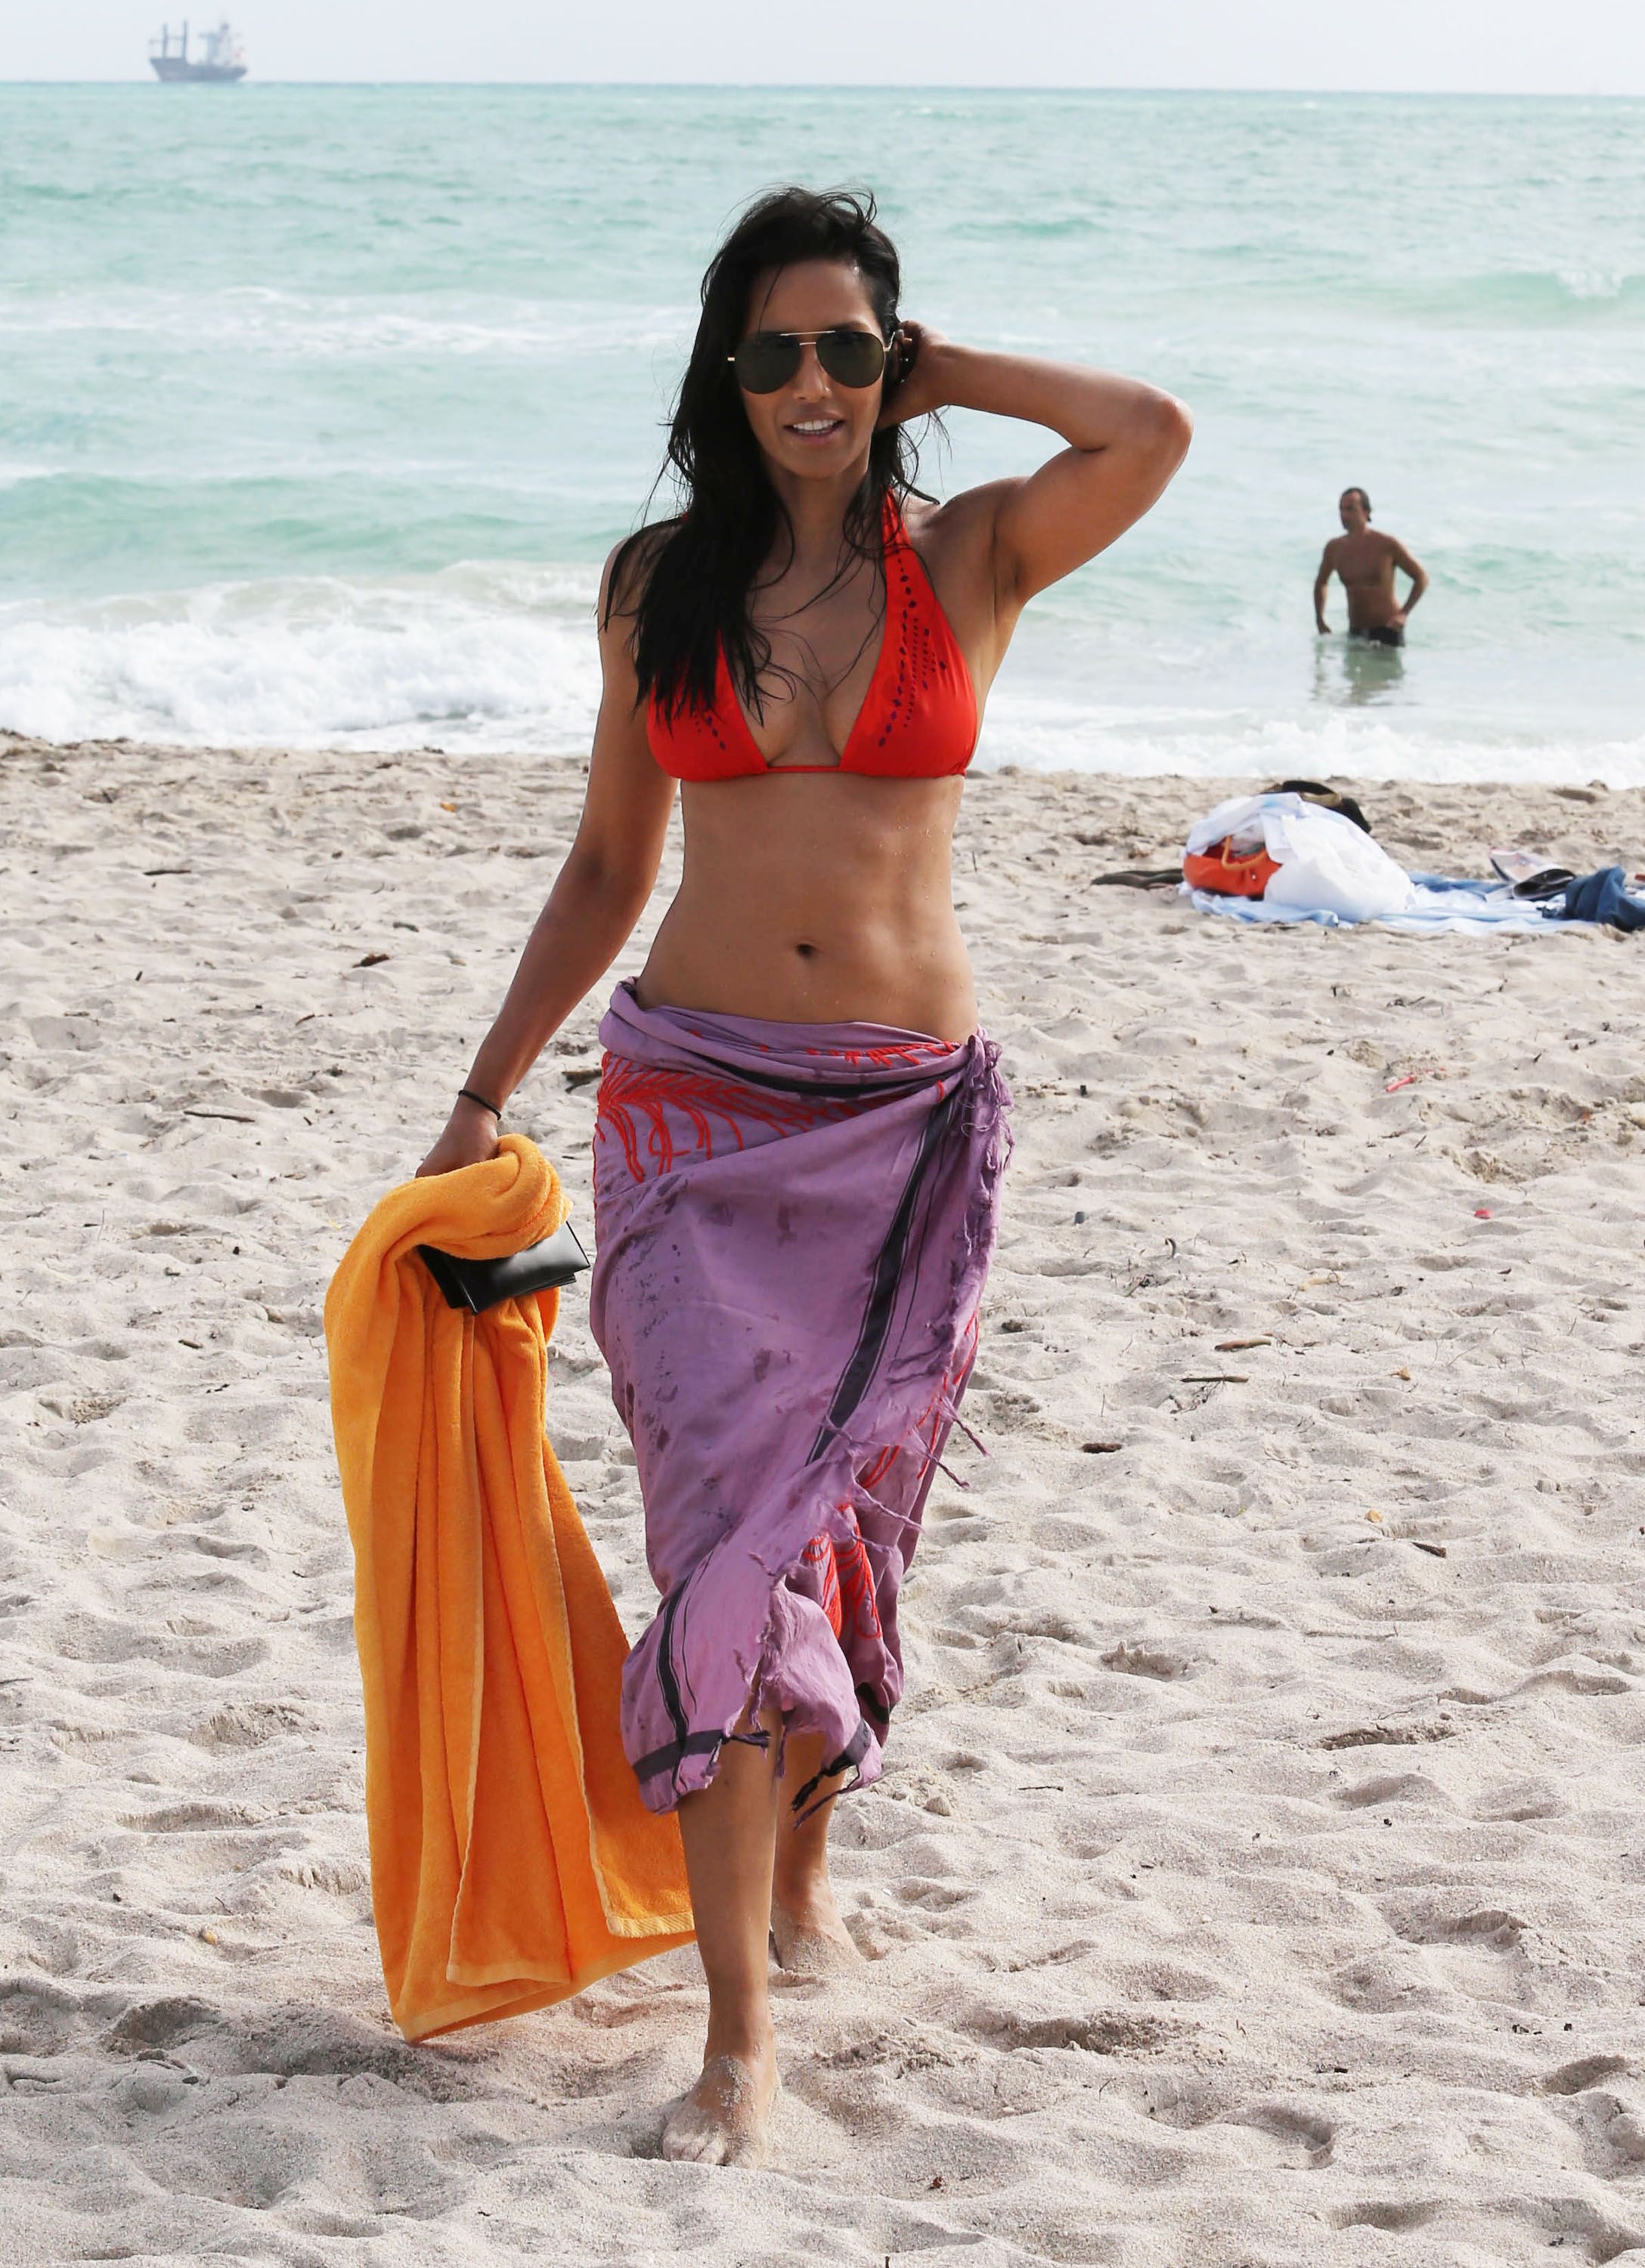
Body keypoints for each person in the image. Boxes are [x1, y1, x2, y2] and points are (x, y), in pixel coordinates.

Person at [416, 185, 1191, 2167]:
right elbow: (609, 866)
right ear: (726, 374)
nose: (813, 383)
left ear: (891, 361)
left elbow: (1149, 431)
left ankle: (800, 1876)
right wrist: (485, 1092)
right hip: (690, 1117)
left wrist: (947, 372)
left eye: (850, 348)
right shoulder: (657, 583)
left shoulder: (974, 556)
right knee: (727, 1543)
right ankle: (735, 2044)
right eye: (775, 352)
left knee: (840, 1536)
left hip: (899, 1127)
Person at [1313, 486, 1428, 645]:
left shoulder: (1386, 544)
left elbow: (1421, 578)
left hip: (1388, 630)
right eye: (1341, 509)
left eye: (1350, 509)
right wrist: (1320, 619)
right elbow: (1321, 582)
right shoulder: (1334, 548)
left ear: (1366, 512)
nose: (1344, 515)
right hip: (1356, 634)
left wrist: (1403, 614)